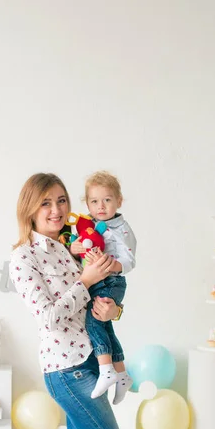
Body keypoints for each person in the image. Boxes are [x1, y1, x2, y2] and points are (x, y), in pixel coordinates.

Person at [10, 173, 127, 429]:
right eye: (46, 203)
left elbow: (94, 302)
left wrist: (114, 307)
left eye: (61, 200)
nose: (57, 210)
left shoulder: (67, 246)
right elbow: (49, 317)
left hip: (91, 361)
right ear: (30, 209)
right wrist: (84, 279)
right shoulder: (24, 257)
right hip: (65, 370)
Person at [69, 171, 136, 404]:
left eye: (107, 200)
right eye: (94, 201)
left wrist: (113, 265)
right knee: (105, 328)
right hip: (96, 280)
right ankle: (122, 374)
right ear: (87, 203)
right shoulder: (86, 225)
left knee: (94, 320)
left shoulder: (122, 228)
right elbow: (80, 249)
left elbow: (130, 259)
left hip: (111, 280)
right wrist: (74, 249)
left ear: (119, 201)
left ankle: (106, 369)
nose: (101, 206)